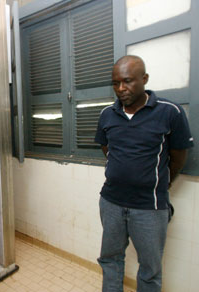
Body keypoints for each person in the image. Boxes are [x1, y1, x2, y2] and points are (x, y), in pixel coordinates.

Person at [94, 55, 193, 292]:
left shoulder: (170, 112)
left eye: (127, 81)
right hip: (111, 202)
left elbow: (179, 155)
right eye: (116, 83)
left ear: (144, 79)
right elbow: (107, 148)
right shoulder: (107, 114)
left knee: (150, 269)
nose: (121, 89)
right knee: (110, 260)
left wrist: (161, 181)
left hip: (150, 206)